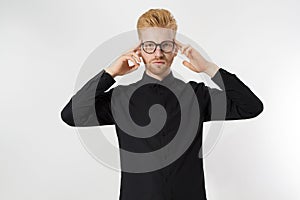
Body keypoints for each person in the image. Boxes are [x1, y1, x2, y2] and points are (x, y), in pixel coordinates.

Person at [61, 8, 263, 200]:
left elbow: (251, 106)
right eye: (150, 45)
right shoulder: (120, 99)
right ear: (140, 49)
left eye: (165, 45)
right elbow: (70, 115)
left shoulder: (197, 95)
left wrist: (209, 68)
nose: (158, 53)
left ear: (175, 49)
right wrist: (110, 73)